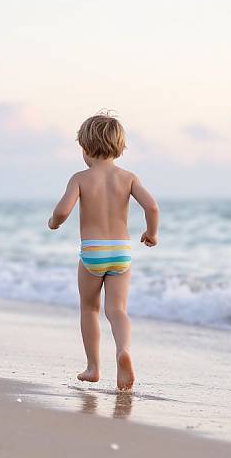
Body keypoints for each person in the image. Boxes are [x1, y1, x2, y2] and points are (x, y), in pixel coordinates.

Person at [48, 110, 159, 390]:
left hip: (93, 251)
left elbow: (62, 210)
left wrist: (54, 222)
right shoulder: (128, 177)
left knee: (89, 308)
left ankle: (93, 367)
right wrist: (151, 233)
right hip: (121, 250)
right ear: (119, 147)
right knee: (118, 309)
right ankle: (123, 351)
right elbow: (152, 206)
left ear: (85, 148)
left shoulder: (80, 178)